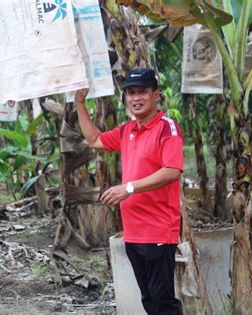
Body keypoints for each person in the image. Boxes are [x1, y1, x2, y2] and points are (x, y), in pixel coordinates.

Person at [75, 68, 183, 315]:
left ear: (156, 95)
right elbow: (95, 140)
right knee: (148, 300)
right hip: (133, 232)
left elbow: (172, 170)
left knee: (163, 301)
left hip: (158, 229)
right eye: (130, 93)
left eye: (142, 91)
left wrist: (129, 188)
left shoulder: (167, 128)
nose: (136, 98)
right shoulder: (127, 130)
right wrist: (80, 103)